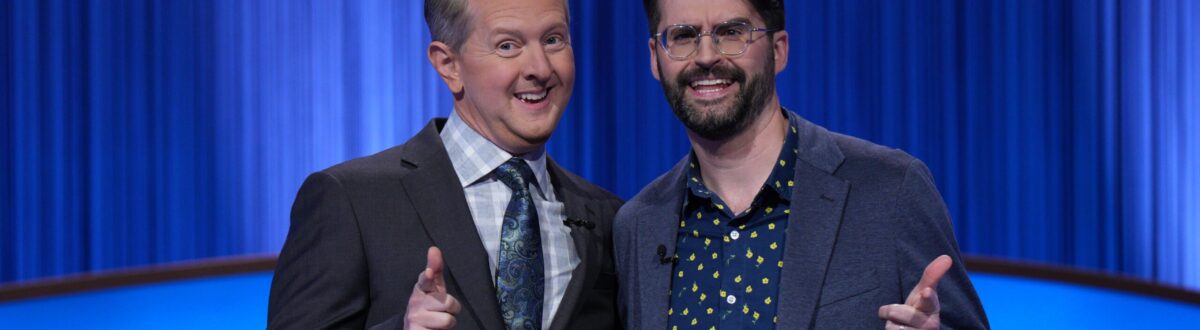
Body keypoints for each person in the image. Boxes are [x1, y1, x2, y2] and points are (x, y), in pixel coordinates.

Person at [614, 0, 989, 329]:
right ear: (654, 57)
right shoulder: (637, 226)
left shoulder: (890, 189)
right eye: (683, 35)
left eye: (731, 32)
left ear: (779, 50)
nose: (707, 56)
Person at [267, 0, 622, 329]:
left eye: (553, 39)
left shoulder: (611, 218)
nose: (540, 69)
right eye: (507, 46)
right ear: (448, 64)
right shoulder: (351, 200)